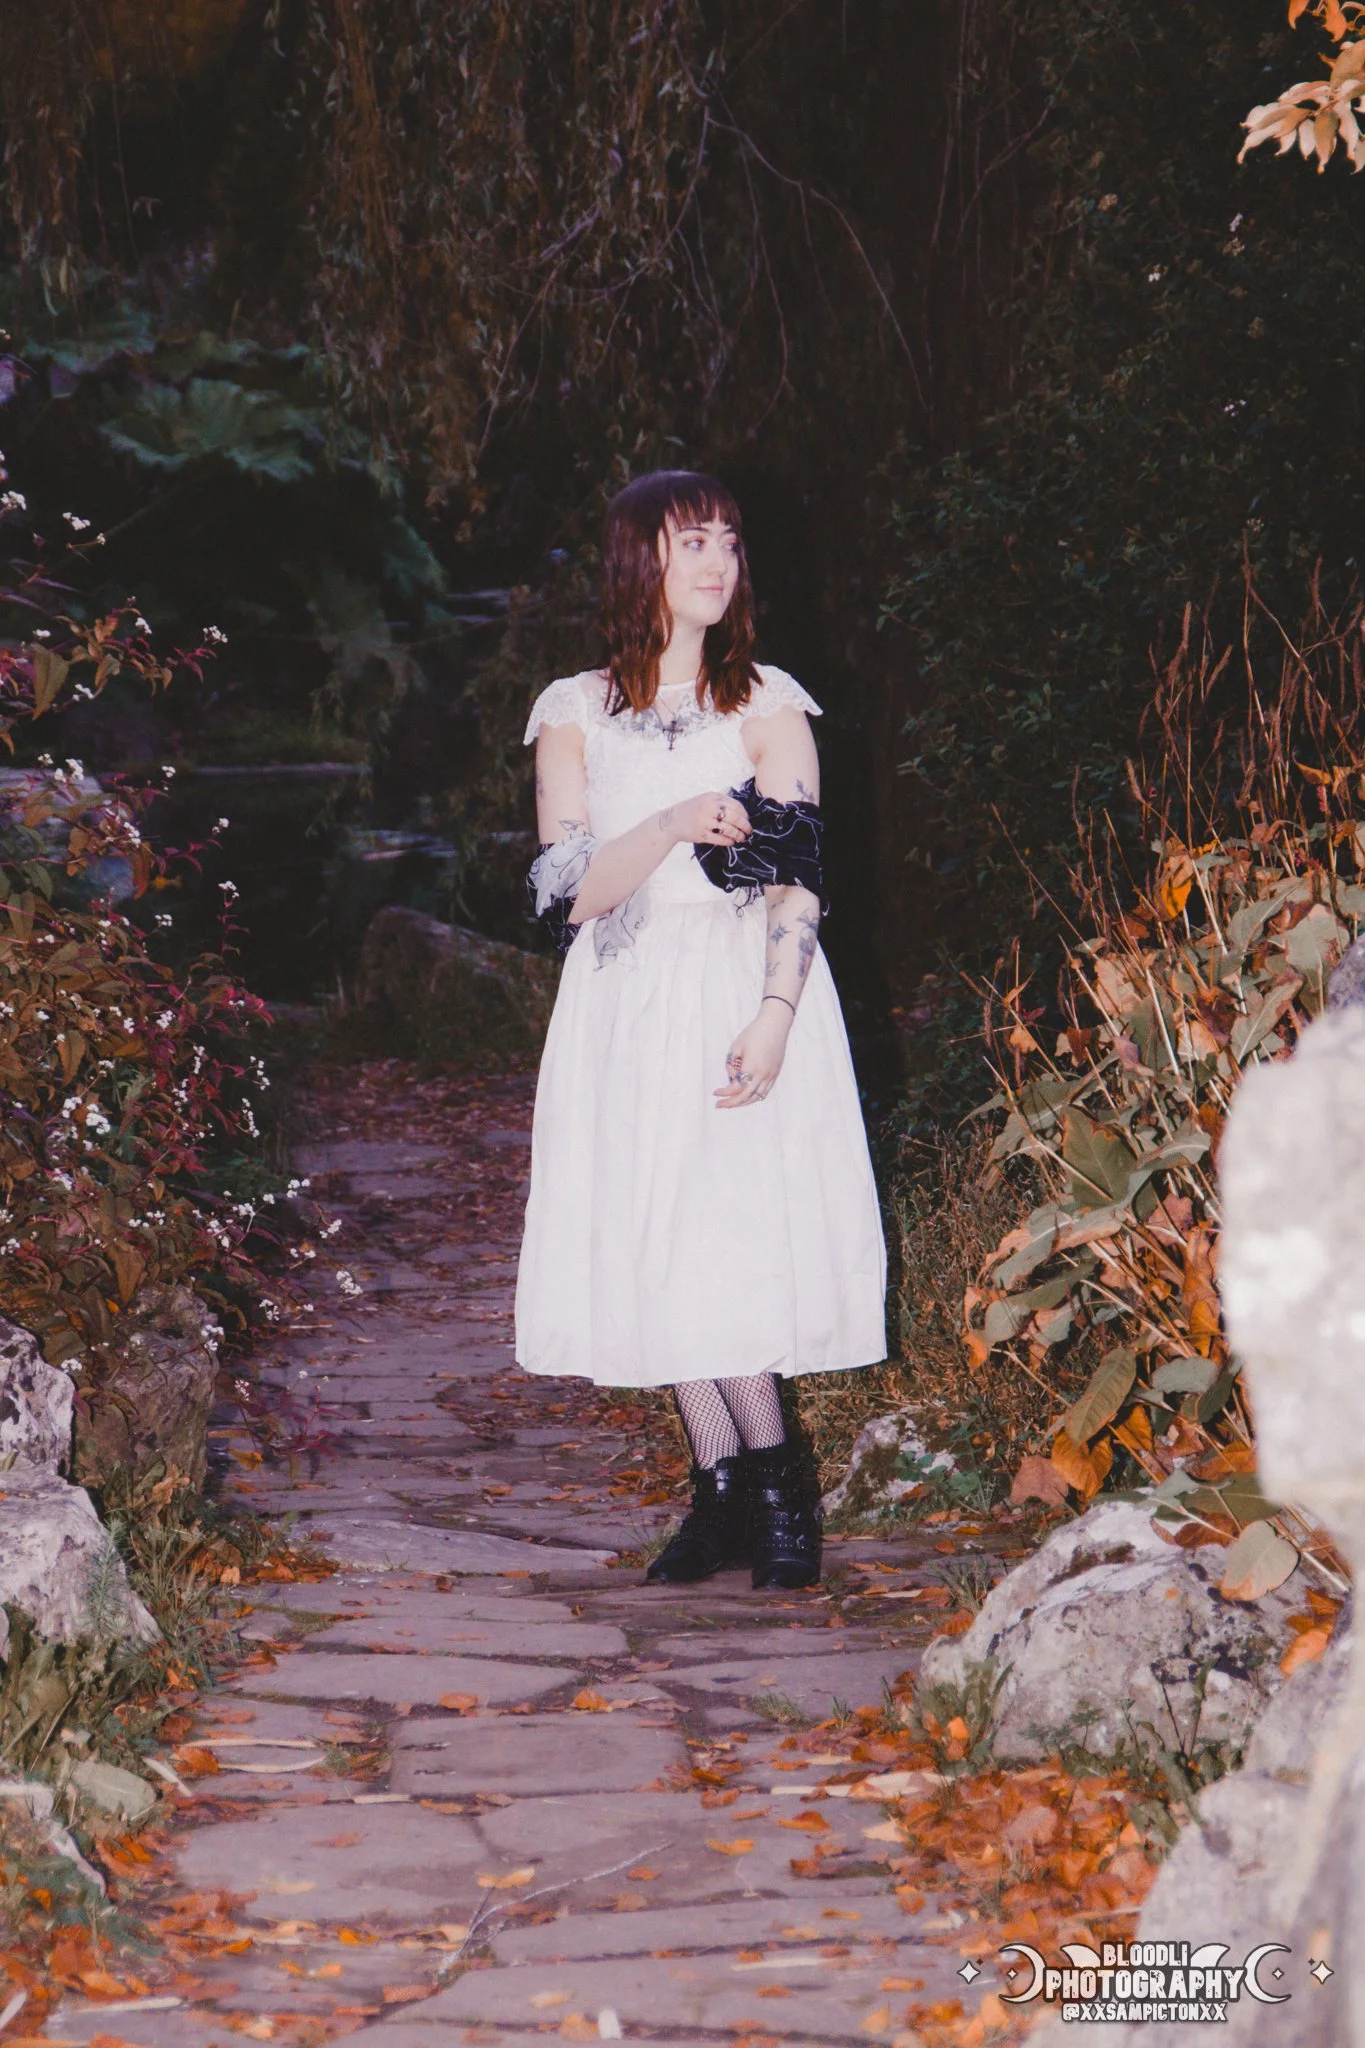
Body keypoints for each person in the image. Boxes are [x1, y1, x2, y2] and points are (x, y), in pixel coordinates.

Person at [514, 469, 886, 1589]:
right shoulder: (572, 713)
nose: (719, 561)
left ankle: (777, 1487)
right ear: (640, 561)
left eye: (728, 539)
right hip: (624, 1002)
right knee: (655, 1234)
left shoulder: (767, 702)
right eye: (692, 543)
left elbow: (799, 876)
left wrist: (775, 1013)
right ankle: (722, 1488)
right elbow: (570, 894)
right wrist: (674, 821)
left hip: (740, 990)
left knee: (723, 1239)